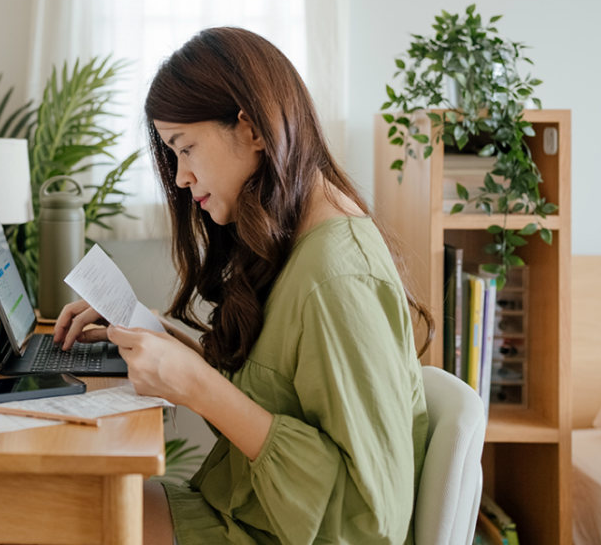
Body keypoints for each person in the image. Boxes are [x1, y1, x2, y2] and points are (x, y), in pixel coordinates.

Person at [53, 27, 434, 545]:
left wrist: (199, 387)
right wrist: (163, 342)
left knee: (49, 516)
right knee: (58, 503)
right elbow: (275, 400)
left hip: (269, 533)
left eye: (185, 149)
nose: (182, 178)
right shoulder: (297, 240)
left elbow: (371, 521)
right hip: (245, 515)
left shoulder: (339, 278)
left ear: (252, 129)